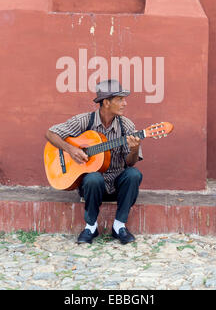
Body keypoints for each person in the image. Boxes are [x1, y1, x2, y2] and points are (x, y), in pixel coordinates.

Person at [45, 79, 143, 245]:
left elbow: (131, 163)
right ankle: (91, 226)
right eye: (120, 99)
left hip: (117, 184)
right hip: (91, 186)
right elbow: (51, 133)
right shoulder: (84, 121)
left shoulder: (126, 126)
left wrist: (134, 148)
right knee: (93, 178)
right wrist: (71, 150)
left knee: (134, 174)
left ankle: (119, 226)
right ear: (106, 102)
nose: (124, 103)